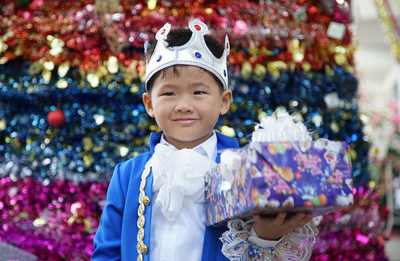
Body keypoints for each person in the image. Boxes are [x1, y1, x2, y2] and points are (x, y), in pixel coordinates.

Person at [92, 19, 318, 261]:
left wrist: (265, 237)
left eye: (199, 92)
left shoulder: (246, 169)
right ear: (149, 104)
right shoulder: (127, 175)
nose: (184, 106)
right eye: (169, 93)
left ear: (224, 101)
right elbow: (107, 252)